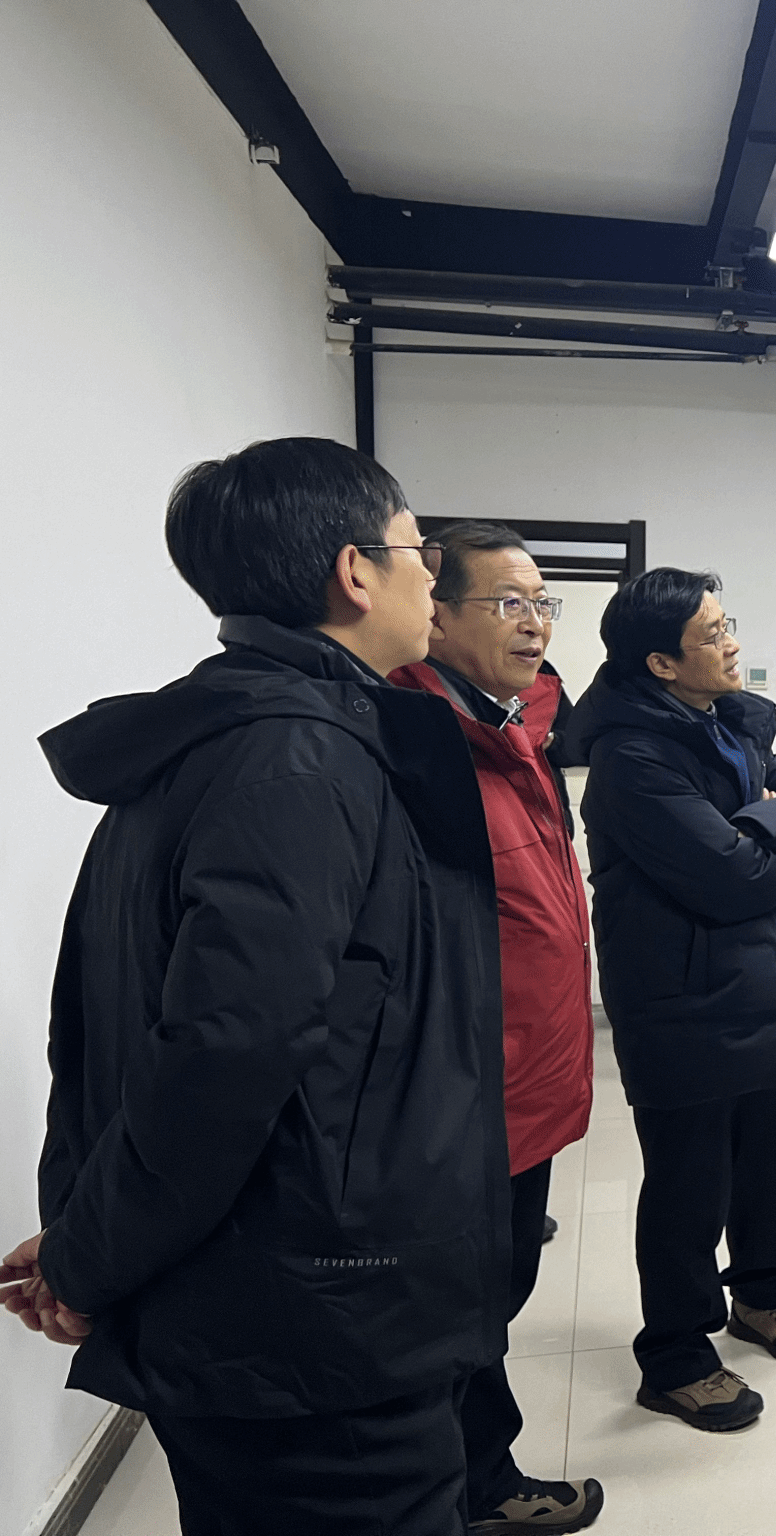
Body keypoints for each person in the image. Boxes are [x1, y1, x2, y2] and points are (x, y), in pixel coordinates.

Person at [2, 438, 507, 1535]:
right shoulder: (295, 761)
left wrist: (95, 1234)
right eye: (418, 551)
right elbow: (223, 1058)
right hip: (315, 1326)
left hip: (272, 1293)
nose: (433, 579)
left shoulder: (239, 737)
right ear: (355, 572)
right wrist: (90, 1255)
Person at [565, 569, 776, 1434]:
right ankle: (677, 1356)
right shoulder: (632, 758)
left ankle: (763, 1294)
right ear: (661, 663)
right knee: (688, 1183)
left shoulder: (729, 723)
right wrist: (768, 846)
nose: (733, 644)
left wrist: (756, 837)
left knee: (767, 1158)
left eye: (727, 625)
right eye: (713, 634)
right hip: (680, 996)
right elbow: (734, 877)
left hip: (758, 977)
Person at [390, 522, 603, 1534]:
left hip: (529, 1082)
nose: (535, 623)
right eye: (508, 603)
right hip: (468, 1092)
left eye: (542, 604)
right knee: (461, 1307)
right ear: (434, 616)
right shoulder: (416, 744)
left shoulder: (518, 731)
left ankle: (469, 1476)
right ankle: (475, 1487)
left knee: (496, 1290)